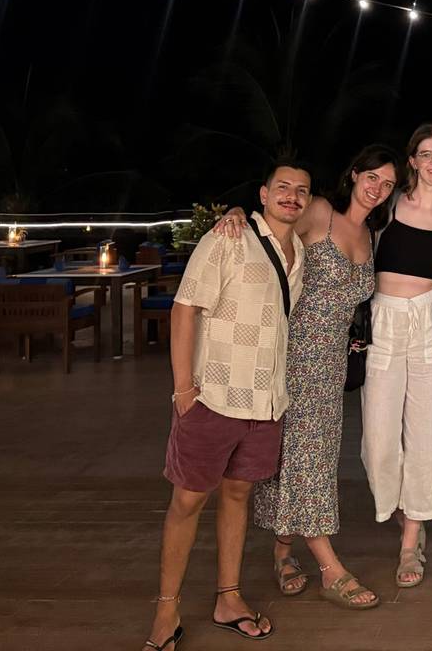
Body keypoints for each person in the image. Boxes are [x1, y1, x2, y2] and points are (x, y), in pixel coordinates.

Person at [218, 144, 398, 611]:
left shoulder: (370, 233)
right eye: (372, 177)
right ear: (354, 174)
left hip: (331, 362)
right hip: (294, 352)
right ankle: (330, 569)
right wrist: (238, 211)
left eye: (387, 183)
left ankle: (282, 552)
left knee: (308, 457)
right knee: (304, 457)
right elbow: (268, 234)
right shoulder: (320, 211)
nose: (377, 188)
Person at [139, 162, 310, 651]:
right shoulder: (228, 238)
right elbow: (184, 308)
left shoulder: (298, 252)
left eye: (302, 191)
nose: (292, 196)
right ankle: (166, 610)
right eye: (283, 188)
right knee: (188, 500)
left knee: (238, 495)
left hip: (266, 400)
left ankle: (228, 599)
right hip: (213, 395)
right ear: (263, 195)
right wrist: (183, 392)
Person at [364, 124, 432, 587]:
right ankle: (398, 506)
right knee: (380, 433)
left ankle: (412, 538)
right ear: (411, 161)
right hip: (384, 318)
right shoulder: (387, 203)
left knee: (429, 429)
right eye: (425, 154)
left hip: (431, 318)